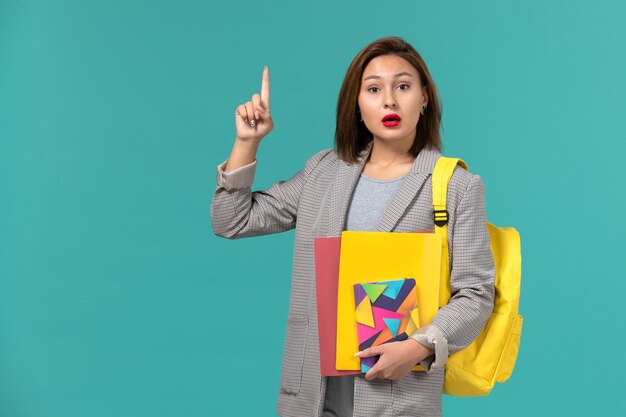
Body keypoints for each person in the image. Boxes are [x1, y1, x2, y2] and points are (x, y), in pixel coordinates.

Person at [211, 36, 495, 417]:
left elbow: (476, 293)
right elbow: (231, 220)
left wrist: (418, 347)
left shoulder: (456, 186)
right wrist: (246, 143)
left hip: (398, 399)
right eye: (374, 88)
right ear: (358, 105)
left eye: (403, 86)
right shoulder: (324, 172)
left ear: (424, 98)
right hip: (310, 399)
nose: (389, 100)